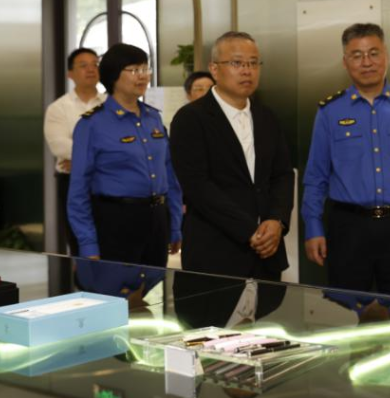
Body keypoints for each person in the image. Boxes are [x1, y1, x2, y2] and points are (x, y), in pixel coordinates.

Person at [169, 32, 293, 325]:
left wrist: (277, 220)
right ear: (215, 69)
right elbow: (198, 187)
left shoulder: (266, 117)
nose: (247, 71)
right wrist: (250, 231)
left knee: (260, 340)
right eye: (237, 63)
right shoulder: (191, 119)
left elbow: (282, 175)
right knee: (211, 345)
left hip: (266, 257)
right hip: (215, 255)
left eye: (253, 63)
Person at [302, 23, 390, 299]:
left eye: (373, 53)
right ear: (345, 62)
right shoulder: (330, 112)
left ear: (386, 56)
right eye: (357, 55)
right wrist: (313, 227)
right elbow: (315, 177)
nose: (367, 62)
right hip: (349, 228)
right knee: (345, 310)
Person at [67, 43, 183, 265]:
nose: (143, 76)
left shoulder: (153, 118)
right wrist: (88, 243)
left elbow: (170, 176)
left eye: (146, 69)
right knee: (118, 284)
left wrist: (175, 225)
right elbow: (78, 190)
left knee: (153, 283)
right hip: (116, 220)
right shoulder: (92, 124)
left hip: (157, 219)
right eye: (134, 70)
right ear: (113, 76)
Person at [44, 47, 105, 255]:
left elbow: (118, 144)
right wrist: (104, 156)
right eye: (83, 65)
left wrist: (81, 160)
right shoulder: (58, 108)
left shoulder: (109, 104)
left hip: (108, 180)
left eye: (95, 64)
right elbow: (59, 145)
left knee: (109, 241)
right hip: (72, 182)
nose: (91, 69)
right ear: (70, 73)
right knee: (80, 243)